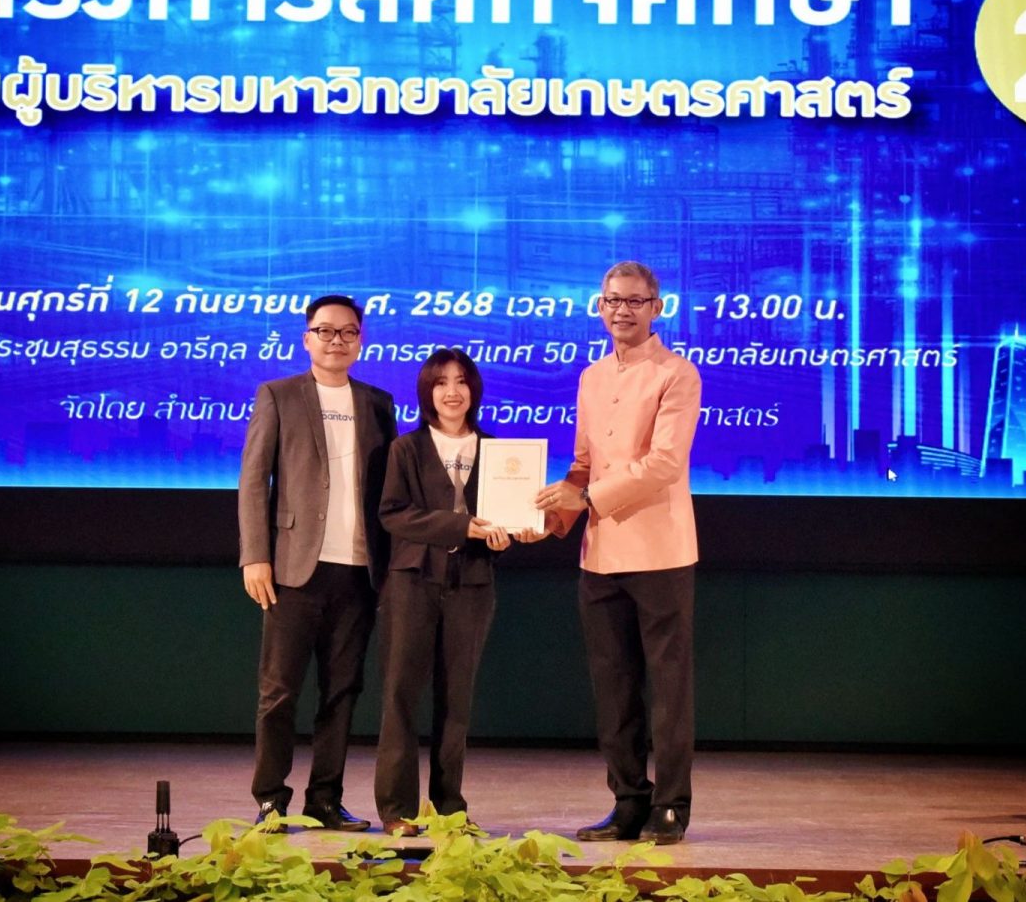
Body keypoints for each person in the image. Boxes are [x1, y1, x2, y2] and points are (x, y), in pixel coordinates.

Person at [535, 261, 702, 845]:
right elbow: (584, 462)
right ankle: (628, 801)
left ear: (657, 307)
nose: (623, 310)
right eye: (613, 300)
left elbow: (664, 464)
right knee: (613, 687)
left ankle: (671, 806)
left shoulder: (677, 373)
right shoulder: (591, 376)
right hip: (600, 552)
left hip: (660, 550)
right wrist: (552, 514)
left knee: (669, 688)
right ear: (599, 306)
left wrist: (585, 497)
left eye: (635, 301)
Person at [238, 294, 396, 830]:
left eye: (348, 332)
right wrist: (255, 556)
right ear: (307, 339)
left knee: (343, 691)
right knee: (279, 692)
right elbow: (253, 480)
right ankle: (270, 799)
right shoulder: (278, 395)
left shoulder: (378, 403)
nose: (336, 340)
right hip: (292, 568)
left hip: (359, 570)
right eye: (325, 331)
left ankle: (325, 799)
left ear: (360, 341)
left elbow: (391, 489)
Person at [373, 348, 543, 835]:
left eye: (462, 381)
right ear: (427, 391)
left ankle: (450, 809)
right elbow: (393, 515)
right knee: (401, 696)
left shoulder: (496, 451)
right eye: (441, 382)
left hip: (472, 583)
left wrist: (509, 535)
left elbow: (502, 520)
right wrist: (462, 525)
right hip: (411, 582)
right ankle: (398, 810)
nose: (452, 391)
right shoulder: (406, 449)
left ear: (474, 390)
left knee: (456, 700)